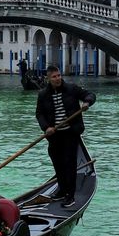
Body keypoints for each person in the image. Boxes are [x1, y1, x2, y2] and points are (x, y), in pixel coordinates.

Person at [35, 66, 95, 208]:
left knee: (69, 164)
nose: (57, 78)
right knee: (58, 163)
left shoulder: (72, 89)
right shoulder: (43, 94)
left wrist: (87, 102)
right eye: (54, 77)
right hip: (54, 135)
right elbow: (39, 114)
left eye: (59, 75)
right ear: (48, 79)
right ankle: (62, 190)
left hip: (70, 132)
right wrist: (46, 128)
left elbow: (90, 95)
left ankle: (70, 195)